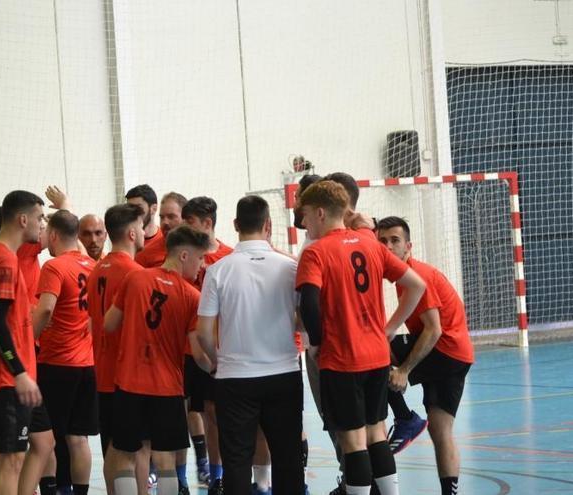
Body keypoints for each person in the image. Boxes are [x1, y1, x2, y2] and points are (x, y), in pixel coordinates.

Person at [295, 181, 426, 495]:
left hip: (342, 359)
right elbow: (417, 285)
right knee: (377, 434)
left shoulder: (316, 252)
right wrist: (391, 327)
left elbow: (309, 303)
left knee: (353, 441)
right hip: (377, 356)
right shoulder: (371, 244)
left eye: (307, 216)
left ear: (321, 212)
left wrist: (317, 343)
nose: (305, 223)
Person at [196, 195, 303, 495]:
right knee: (288, 458)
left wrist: (218, 362)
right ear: (268, 225)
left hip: (235, 378)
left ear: (235, 225)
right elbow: (304, 321)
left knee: (237, 460)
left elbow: (203, 331)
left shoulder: (218, 270)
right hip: (283, 373)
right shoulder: (290, 267)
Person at [102, 226, 212, 495]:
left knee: (125, 455)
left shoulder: (134, 279)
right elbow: (199, 354)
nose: (203, 265)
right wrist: (217, 368)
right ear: (184, 255)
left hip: (129, 383)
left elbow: (109, 324)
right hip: (167, 387)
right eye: (200, 258)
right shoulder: (191, 296)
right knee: (165, 459)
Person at [376, 216, 474, 495]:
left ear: (409, 246)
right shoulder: (401, 275)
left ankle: (405, 418)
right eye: (382, 241)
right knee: (440, 432)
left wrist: (403, 370)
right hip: (453, 352)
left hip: (446, 350)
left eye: (395, 241)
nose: (388, 246)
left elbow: (433, 330)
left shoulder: (416, 276)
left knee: (372, 350)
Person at [0, 190, 46, 495]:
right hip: (6, 378)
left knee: (22, 453)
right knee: (12, 459)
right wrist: (18, 372)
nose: (43, 225)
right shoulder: (2, 259)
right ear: (23, 218)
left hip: (8, 375)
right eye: (40, 218)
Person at [33, 210, 98, 495]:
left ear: (55, 235)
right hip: (87, 362)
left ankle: (56, 489)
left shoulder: (54, 266)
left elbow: (46, 307)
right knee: (79, 438)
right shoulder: (93, 265)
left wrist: (29, 339)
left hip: (57, 361)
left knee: (49, 437)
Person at [86, 203, 147, 494]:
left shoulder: (97, 269)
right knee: (137, 450)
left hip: (103, 372)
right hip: (129, 375)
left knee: (113, 447)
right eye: (143, 226)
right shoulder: (134, 273)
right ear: (133, 233)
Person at [181, 196, 233, 494]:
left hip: (223, 350)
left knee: (223, 416)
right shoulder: (187, 257)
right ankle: (215, 476)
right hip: (193, 351)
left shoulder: (228, 257)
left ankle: (231, 474)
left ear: (207, 223)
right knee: (205, 415)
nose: (186, 228)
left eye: (190, 223)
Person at [135, 192, 188, 269]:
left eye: (171, 216)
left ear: (185, 218)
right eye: (162, 217)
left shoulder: (199, 251)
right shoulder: (145, 255)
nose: (165, 222)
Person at [125, 184, 163, 248]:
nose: (132, 212)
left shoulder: (165, 240)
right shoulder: (125, 241)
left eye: (138, 207)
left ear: (153, 209)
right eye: (129, 208)